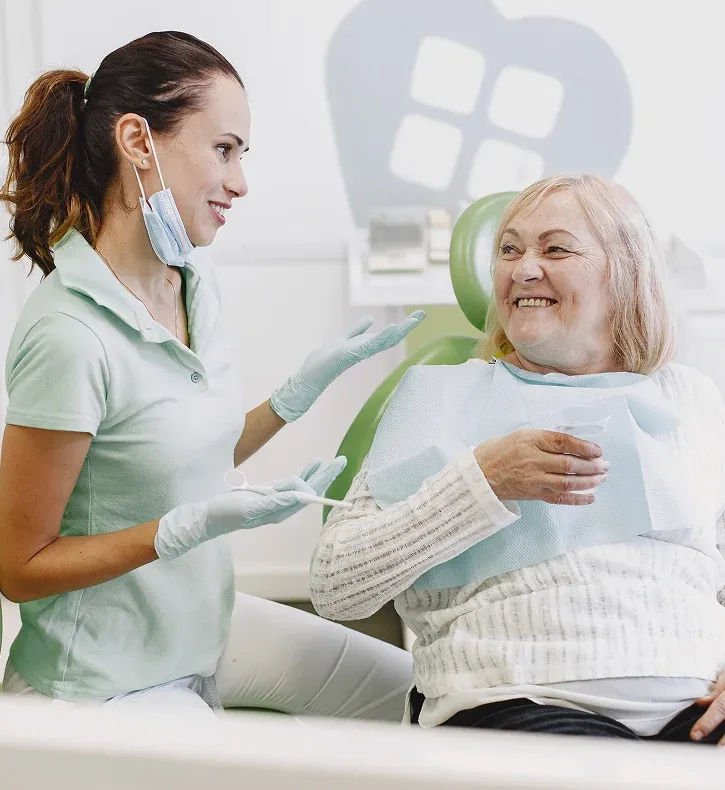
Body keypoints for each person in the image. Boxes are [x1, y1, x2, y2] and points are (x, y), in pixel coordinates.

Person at [0, 31, 423, 715]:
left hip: (199, 633)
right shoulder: (69, 334)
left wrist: (291, 399)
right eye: (223, 149)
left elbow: (170, 459)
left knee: (407, 694)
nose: (240, 181)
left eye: (242, 154)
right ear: (138, 142)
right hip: (103, 682)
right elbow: (19, 568)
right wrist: (177, 530)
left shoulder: (191, 281)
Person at [311, 174, 725, 744]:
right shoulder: (441, 399)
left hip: (696, 700)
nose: (524, 268)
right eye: (509, 250)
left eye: (555, 248)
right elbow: (337, 586)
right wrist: (483, 482)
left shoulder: (689, 398)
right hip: (520, 695)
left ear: (626, 274)